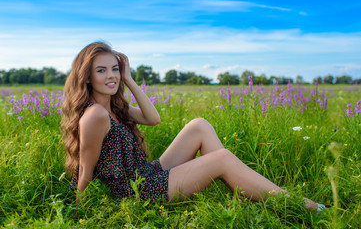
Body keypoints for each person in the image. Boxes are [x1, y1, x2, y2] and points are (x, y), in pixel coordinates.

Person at [61, 41, 324, 210]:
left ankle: (239, 186)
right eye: (101, 70)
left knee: (199, 125)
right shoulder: (95, 115)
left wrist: (129, 79)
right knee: (221, 159)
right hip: (134, 192)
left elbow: (153, 119)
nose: (111, 76)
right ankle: (301, 205)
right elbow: (86, 168)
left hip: (145, 174)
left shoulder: (112, 107)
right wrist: (82, 212)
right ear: (86, 76)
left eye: (115, 69)